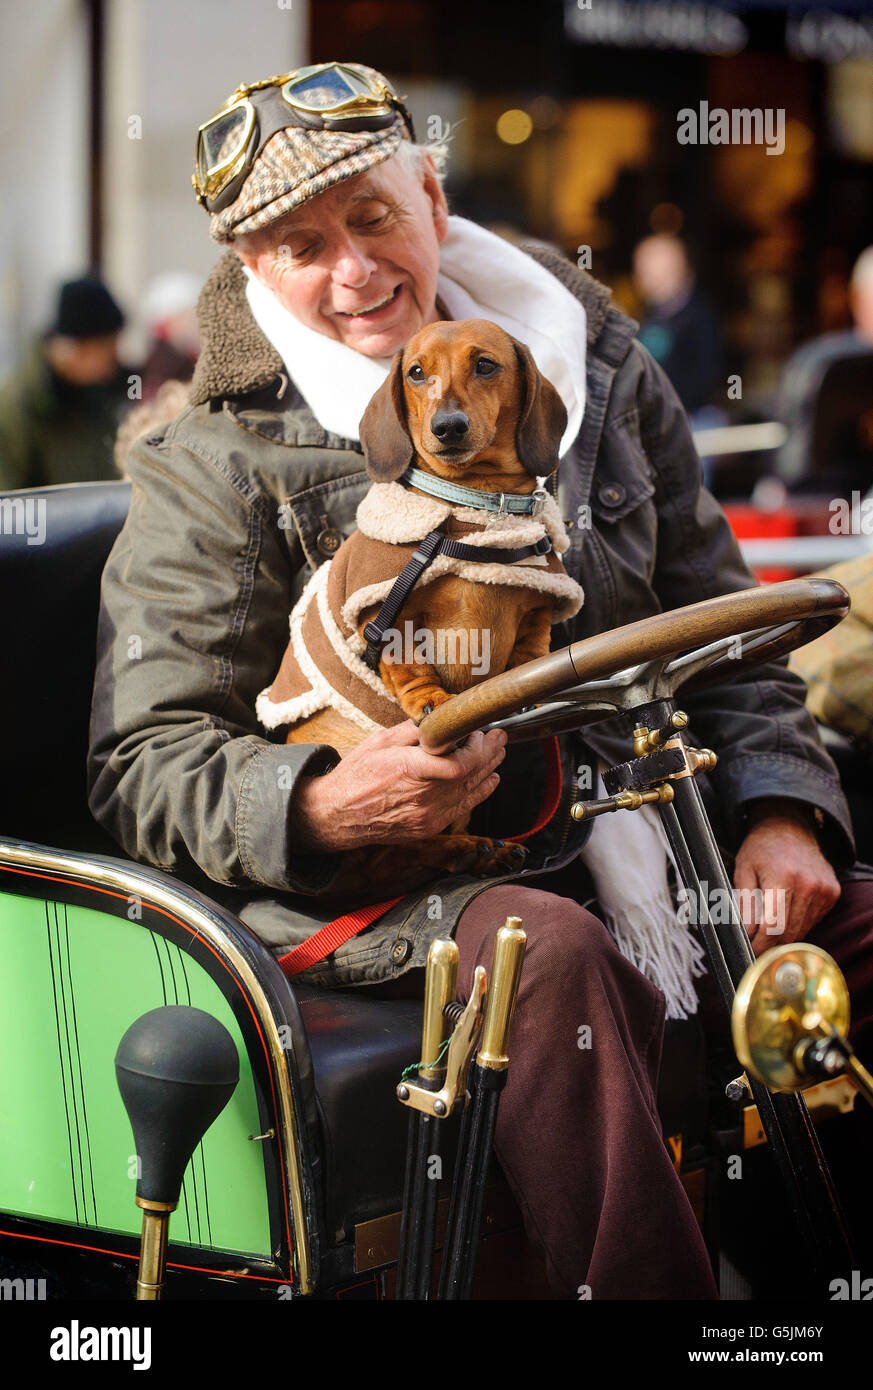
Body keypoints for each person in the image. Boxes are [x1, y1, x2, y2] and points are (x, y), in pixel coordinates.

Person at [87, 62, 873, 1299]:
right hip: (388, 895)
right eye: (302, 243)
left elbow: (723, 624)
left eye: (374, 217)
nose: (352, 268)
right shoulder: (211, 455)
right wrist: (319, 802)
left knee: (861, 925)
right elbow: (144, 763)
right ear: (254, 269)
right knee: (549, 958)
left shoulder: (595, 360)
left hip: (648, 827)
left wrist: (780, 808)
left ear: (435, 203)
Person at [0, 275, 131, 490]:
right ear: (76, 350)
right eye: (107, 351)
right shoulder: (17, 408)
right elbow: (11, 508)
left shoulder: (100, 389)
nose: (113, 364)